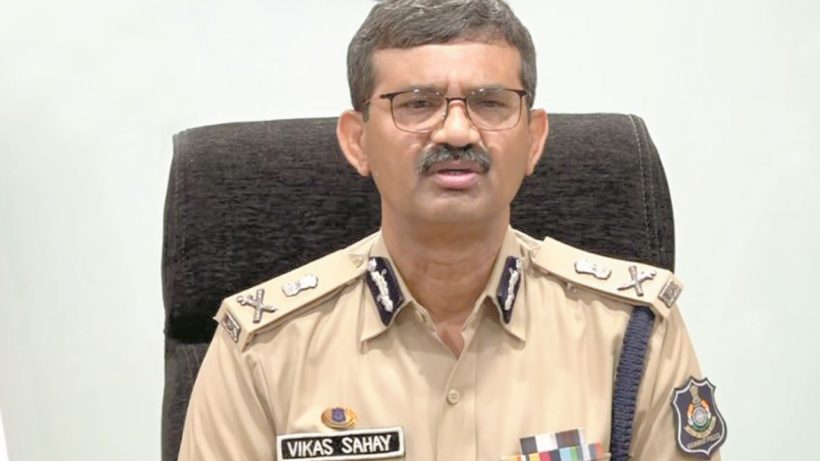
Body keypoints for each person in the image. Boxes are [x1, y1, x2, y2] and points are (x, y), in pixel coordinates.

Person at [177, 1, 725, 460]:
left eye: (490, 103)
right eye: (417, 104)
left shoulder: (632, 333)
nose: (458, 131)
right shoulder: (262, 350)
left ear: (534, 140)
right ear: (357, 141)